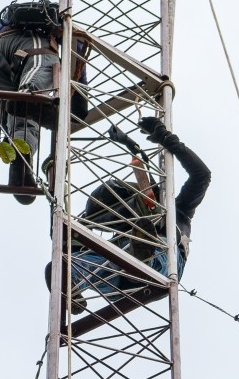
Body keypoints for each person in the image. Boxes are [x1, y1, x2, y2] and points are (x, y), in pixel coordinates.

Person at [67, 115, 212, 314]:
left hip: (159, 267)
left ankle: (143, 258)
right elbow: (143, 171)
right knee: (77, 263)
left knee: (149, 245)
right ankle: (71, 282)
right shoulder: (131, 222)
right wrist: (128, 142)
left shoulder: (181, 212)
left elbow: (202, 175)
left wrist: (166, 138)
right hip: (120, 276)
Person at [0, 0, 89, 204]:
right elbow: (78, 50)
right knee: (46, 60)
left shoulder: (18, 20)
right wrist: (79, 106)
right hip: (19, 46)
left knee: (24, 122)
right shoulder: (57, 28)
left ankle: (21, 165)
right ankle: (29, 96)